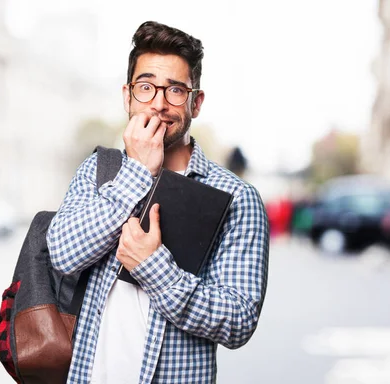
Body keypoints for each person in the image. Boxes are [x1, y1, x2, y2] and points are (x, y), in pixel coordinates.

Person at [47, 21, 269, 384]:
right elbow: (63, 255)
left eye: (176, 91)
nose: (159, 104)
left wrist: (154, 268)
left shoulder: (236, 198)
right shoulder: (98, 171)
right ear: (127, 96)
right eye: (146, 87)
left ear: (195, 103)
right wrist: (136, 172)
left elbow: (239, 321)